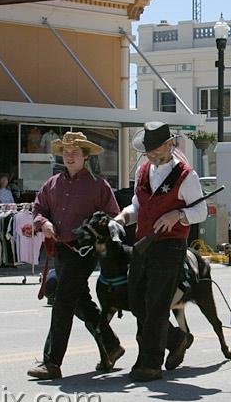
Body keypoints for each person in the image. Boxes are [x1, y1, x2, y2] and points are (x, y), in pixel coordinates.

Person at [26, 131, 124, 381]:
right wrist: (44, 223)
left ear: (86, 156)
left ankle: (52, 362)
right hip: (60, 250)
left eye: (75, 153)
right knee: (82, 303)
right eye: (66, 153)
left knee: (62, 303)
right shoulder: (53, 183)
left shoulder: (98, 185)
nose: (69, 157)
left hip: (83, 253)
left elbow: (113, 218)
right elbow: (38, 209)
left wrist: (97, 233)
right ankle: (111, 345)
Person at [116, 121, 207, 382]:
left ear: (169, 145)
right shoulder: (144, 171)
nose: (153, 155)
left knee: (156, 305)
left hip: (170, 246)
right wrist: (123, 217)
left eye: (157, 150)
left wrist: (178, 214)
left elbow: (200, 211)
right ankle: (176, 337)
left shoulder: (187, 175)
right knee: (136, 301)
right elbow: (137, 206)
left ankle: (150, 363)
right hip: (143, 243)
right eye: (149, 151)